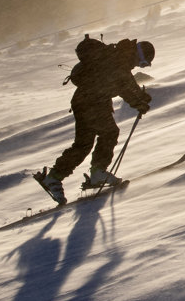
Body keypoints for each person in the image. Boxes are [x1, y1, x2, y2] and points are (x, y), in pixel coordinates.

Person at [34, 37, 154, 204]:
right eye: (142, 63)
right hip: (94, 103)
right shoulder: (119, 61)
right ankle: (98, 172)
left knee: (83, 144)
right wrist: (140, 102)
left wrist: (139, 99)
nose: (137, 67)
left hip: (82, 102)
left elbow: (125, 84)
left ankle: (54, 177)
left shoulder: (115, 57)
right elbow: (125, 87)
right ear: (138, 55)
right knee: (110, 132)